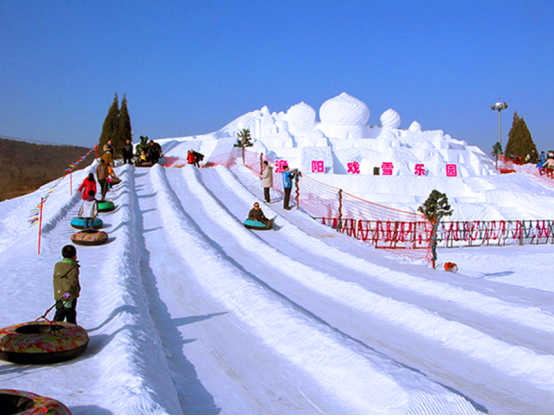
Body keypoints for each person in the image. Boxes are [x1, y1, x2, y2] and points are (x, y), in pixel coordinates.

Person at [53, 245, 81, 324]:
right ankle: (72, 330)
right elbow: (72, 281)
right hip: (69, 296)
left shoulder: (58, 266)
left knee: (60, 312)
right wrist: (68, 292)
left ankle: (54, 328)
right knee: (70, 313)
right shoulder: (73, 267)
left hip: (58, 294)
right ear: (74, 256)